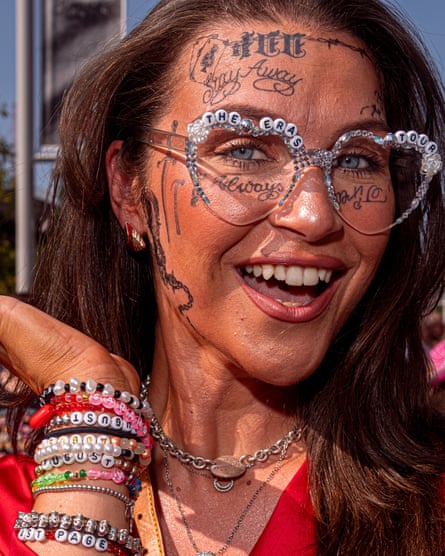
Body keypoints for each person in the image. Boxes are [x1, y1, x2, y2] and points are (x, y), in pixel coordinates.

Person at [0, 0, 445, 554]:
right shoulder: (17, 506)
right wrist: (94, 432)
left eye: (357, 159)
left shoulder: (434, 501)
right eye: (245, 150)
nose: (315, 215)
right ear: (129, 190)